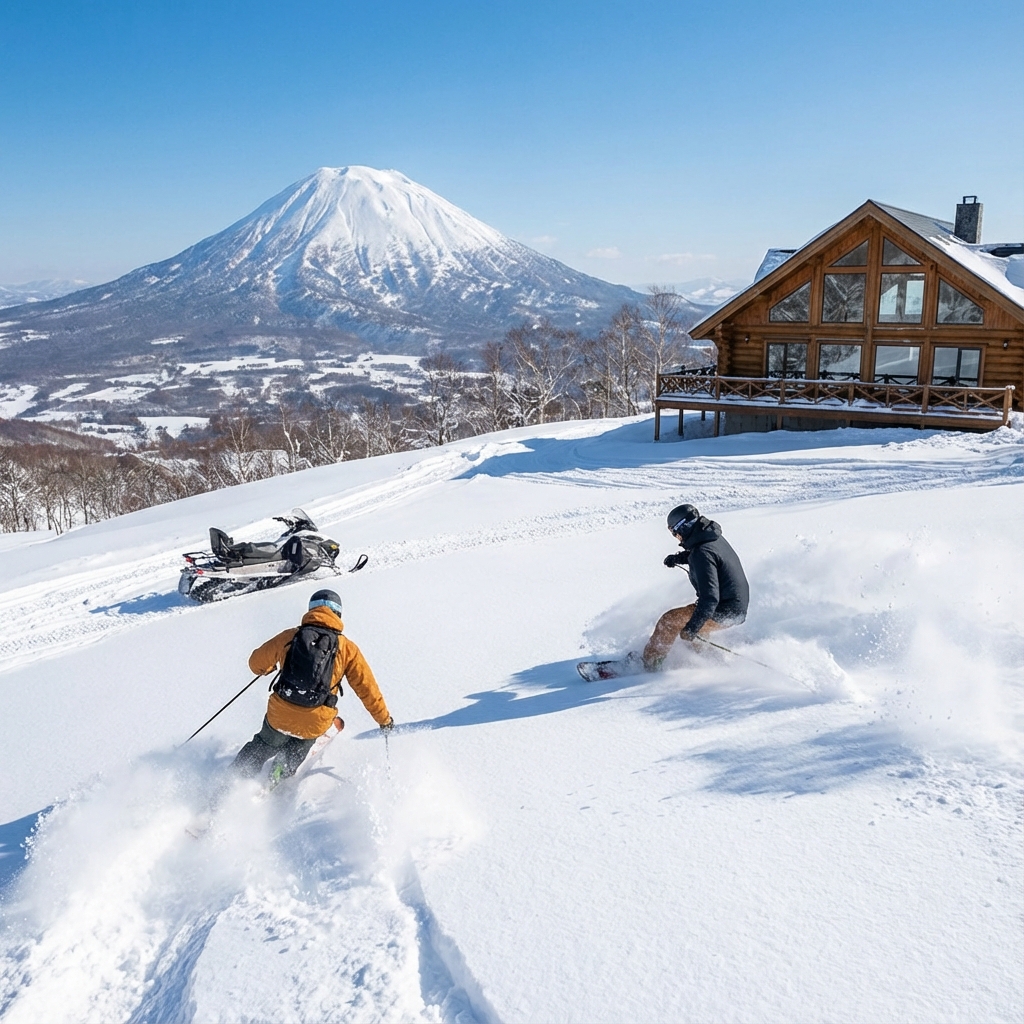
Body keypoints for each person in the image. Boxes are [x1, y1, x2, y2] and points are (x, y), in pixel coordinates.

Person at [232, 588, 393, 779]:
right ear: (338, 613)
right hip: (315, 720)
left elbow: (255, 663)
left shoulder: (290, 636)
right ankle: (275, 777)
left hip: (280, 715)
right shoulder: (348, 648)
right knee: (298, 748)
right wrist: (384, 720)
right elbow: (367, 689)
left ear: (311, 610)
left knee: (265, 744)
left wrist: (268, 669)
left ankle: (229, 782)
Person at [641, 503, 749, 671]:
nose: (675, 537)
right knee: (693, 615)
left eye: (674, 532)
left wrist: (692, 628)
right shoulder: (710, 536)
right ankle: (708, 659)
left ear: (682, 528)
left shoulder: (702, 553)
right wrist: (679, 558)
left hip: (724, 611)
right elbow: (710, 559)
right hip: (735, 609)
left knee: (669, 621)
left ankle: (649, 664)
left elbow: (710, 598)